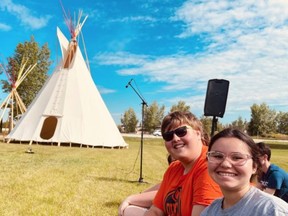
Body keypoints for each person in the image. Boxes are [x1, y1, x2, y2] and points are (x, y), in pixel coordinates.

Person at [143, 111, 222, 216]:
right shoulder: (174, 167)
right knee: (130, 209)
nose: (175, 138)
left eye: (181, 131)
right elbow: (155, 210)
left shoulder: (208, 165)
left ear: (198, 133)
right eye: (168, 136)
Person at [201, 128, 288, 216]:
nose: (225, 164)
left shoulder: (271, 211)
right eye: (217, 156)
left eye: (237, 157)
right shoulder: (209, 211)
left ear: (254, 166)